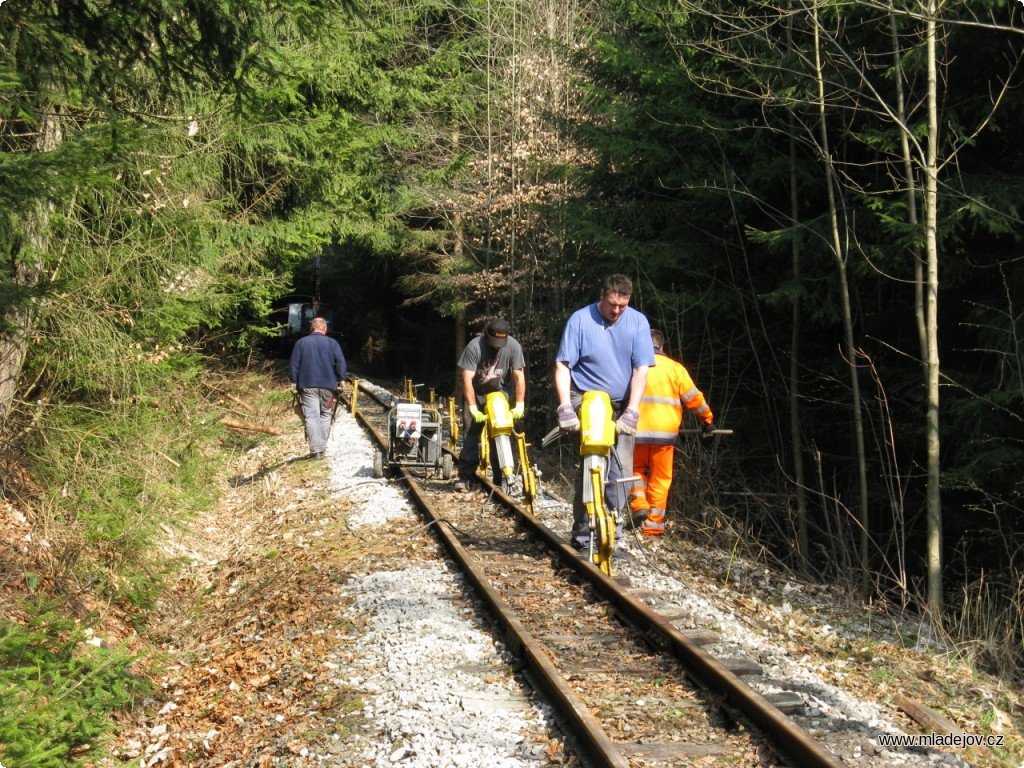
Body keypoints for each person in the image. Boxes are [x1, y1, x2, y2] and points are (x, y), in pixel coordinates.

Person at [554, 274, 656, 552]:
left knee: (620, 471)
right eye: (612, 304)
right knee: (591, 465)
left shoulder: (637, 322)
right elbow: (563, 365)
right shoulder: (580, 320)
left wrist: (632, 410)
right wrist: (565, 405)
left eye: (622, 306)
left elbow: (641, 369)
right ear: (602, 295)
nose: (616, 311)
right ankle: (583, 534)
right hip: (583, 397)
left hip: (621, 404)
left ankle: (613, 535)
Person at [629, 329, 716, 536]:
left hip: (636, 431)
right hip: (665, 436)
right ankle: (652, 529)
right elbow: (694, 398)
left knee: (635, 471)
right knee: (660, 480)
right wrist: (708, 421)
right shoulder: (676, 369)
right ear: (662, 346)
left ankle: (639, 503)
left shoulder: (634, 366)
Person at [455, 318, 527, 491]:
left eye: (501, 342)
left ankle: (501, 479)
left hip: (498, 392)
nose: (498, 346)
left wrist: (519, 404)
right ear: (487, 335)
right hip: (476, 392)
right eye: (495, 342)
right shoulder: (475, 347)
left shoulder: (513, 346)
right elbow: (466, 378)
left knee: (500, 432)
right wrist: (472, 407)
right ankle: (465, 478)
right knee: (471, 433)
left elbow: (519, 376)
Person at [289, 316, 347, 459]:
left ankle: (316, 450)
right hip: (328, 387)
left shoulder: (301, 343)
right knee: (325, 415)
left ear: (311, 329)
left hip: (307, 386)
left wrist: (293, 381)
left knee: (311, 416)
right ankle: (322, 447)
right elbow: (340, 363)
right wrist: (341, 379)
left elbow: (293, 364)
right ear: (325, 329)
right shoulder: (333, 343)